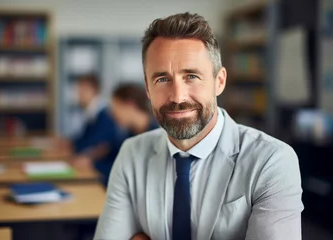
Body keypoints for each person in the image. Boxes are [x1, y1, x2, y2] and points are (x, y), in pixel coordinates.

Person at [94, 13, 304, 240]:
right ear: (147, 89)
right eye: (162, 79)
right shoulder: (131, 154)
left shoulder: (272, 160)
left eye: (191, 76)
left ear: (219, 81)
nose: (177, 96)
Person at [72, 83, 157, 187]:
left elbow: (127, 173)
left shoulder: (154, 136)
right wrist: (92, 159)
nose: (112, 114)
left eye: (115, 107)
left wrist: (94, 165)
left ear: (130, 105)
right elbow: (115, 158)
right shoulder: (131, 132)